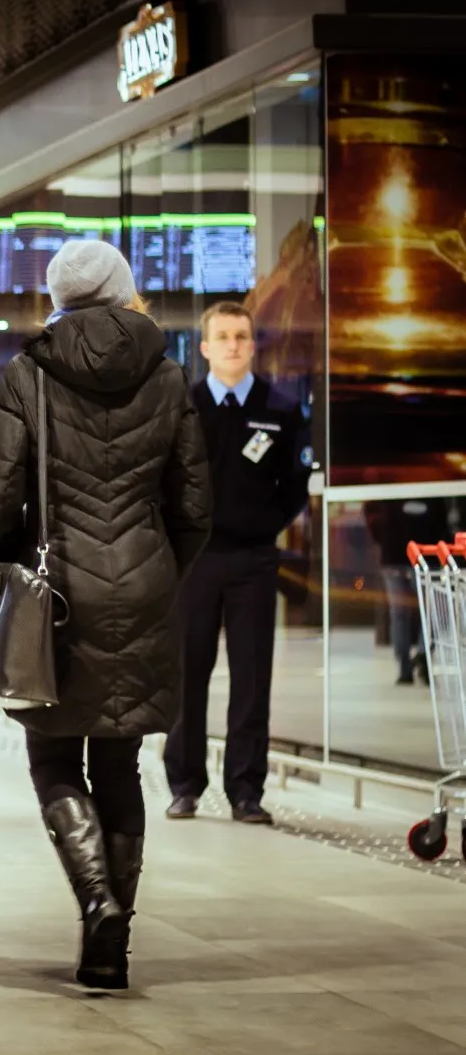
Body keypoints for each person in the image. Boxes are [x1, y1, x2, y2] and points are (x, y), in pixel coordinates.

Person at [0, 239, 211, 990]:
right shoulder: (167, 371)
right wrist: (158, 568)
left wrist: (16, 563)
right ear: (122, 289)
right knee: (118, 760)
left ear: (59, 295)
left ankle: (96, 898)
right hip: (143, 584)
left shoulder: (28, 372)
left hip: (59, 587)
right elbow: (195, 502)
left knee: (52, 755)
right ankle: (110, 942)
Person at [164, 300, 310, 824]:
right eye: (222, 336)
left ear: (253, 345)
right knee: (187, 675)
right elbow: (163, 477)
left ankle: (246, 791)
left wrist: (263, 523)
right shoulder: (183, 406)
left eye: (241, 336)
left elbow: (295, 484)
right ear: (204, 348)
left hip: (253, 560)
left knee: (252, 678)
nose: (232, 344)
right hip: (195, 563)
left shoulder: (280, 410)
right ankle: (184, 785)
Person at [364, 498, 447, 686]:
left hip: (394, 555)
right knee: (432, 610)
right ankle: (424, 654)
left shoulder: (390, 482)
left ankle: (404, 668)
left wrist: (384, 537)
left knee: (399, 614)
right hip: (427, 554)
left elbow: (372, 515)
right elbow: (441, 520)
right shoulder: (431, 482)